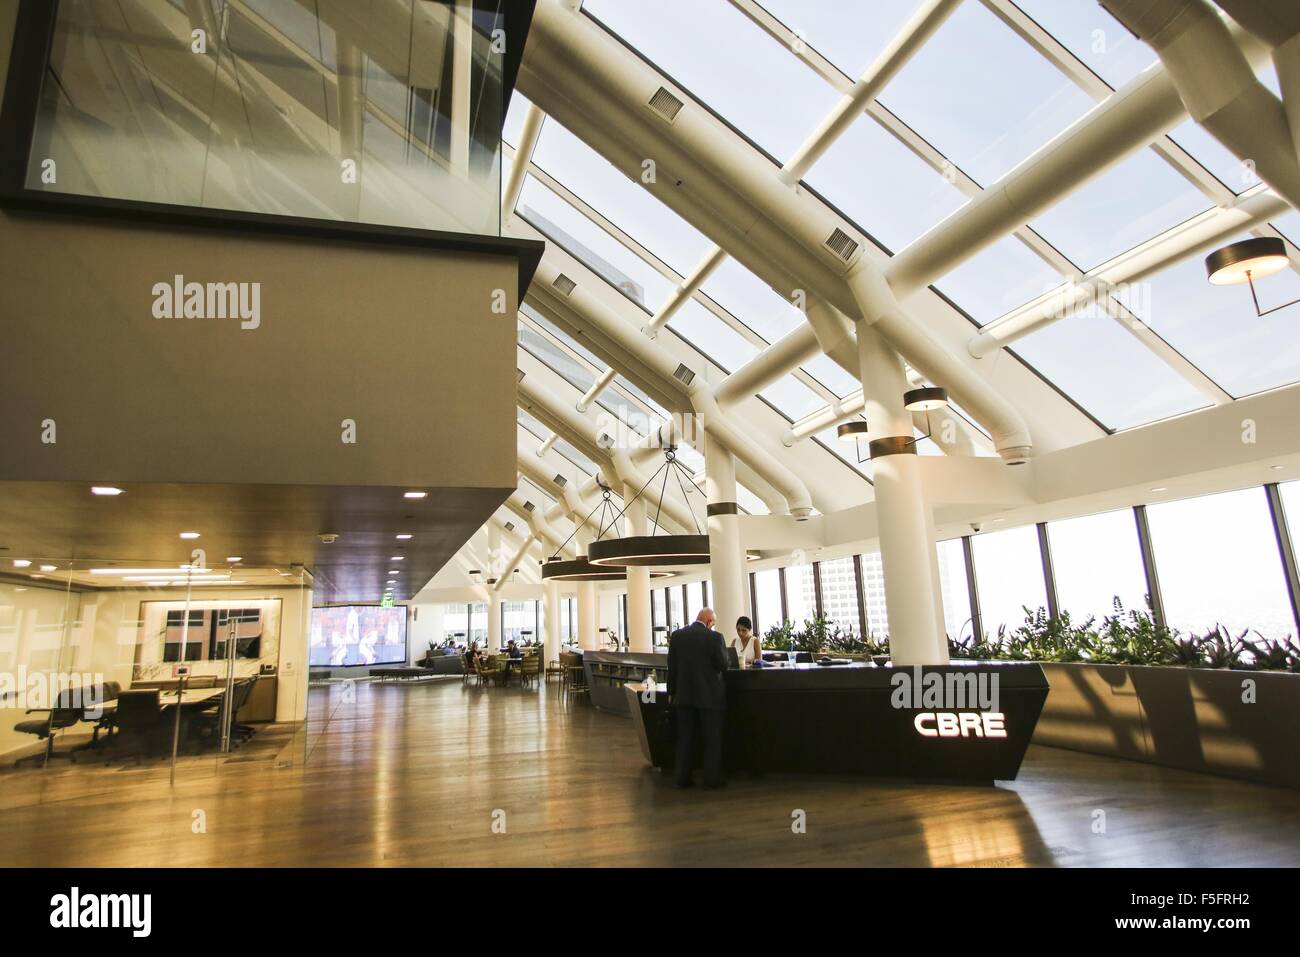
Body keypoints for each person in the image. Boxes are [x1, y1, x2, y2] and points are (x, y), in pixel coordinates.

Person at [666, 608, 728, 789]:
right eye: (713, 623)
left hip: (684, 696)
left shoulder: (678, 636)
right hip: (710, 697)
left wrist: (672, 693)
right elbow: (723, 665)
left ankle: (681, 778)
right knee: (711, 739)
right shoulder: (715, 638)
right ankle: (711, 780)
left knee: (684, 739)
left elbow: (672, 667)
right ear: (709, 622)